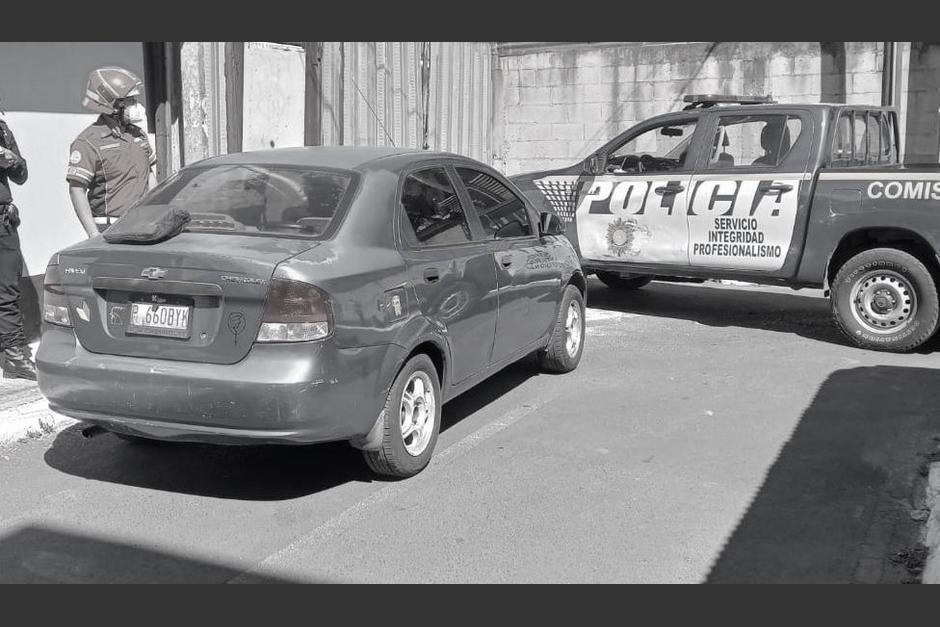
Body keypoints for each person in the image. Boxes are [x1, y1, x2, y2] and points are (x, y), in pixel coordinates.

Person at [67, 67, 156, 237]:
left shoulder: (138, 134)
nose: (136, 105)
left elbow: (149, 175)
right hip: (111, 229)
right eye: (130, 100)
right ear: (112, 104)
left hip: (144, 225)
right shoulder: (88, 142)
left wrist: (156, 213)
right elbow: (77, 190)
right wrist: (93, 234)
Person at [0, 114, 36, 380]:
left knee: (7, 290)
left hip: (3, 222)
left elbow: (21, 176)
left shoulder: (1, 129)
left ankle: (14, 356)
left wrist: (12, 159)